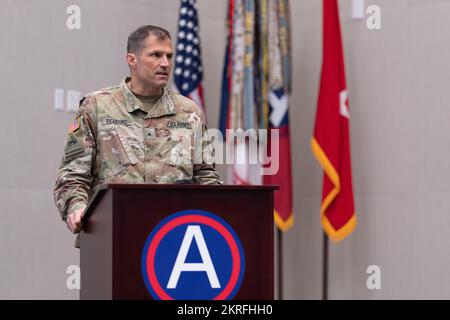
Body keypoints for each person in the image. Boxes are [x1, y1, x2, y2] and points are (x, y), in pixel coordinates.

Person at [53, 25, 222, 246]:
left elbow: (206, 177)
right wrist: (76, 208)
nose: (165, 64)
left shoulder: (189, 111)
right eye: (156, 55)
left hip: (176, 238)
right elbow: (72, 176)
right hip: (112, 238)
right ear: (132, 59)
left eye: (169, 56)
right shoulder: (97, 106)